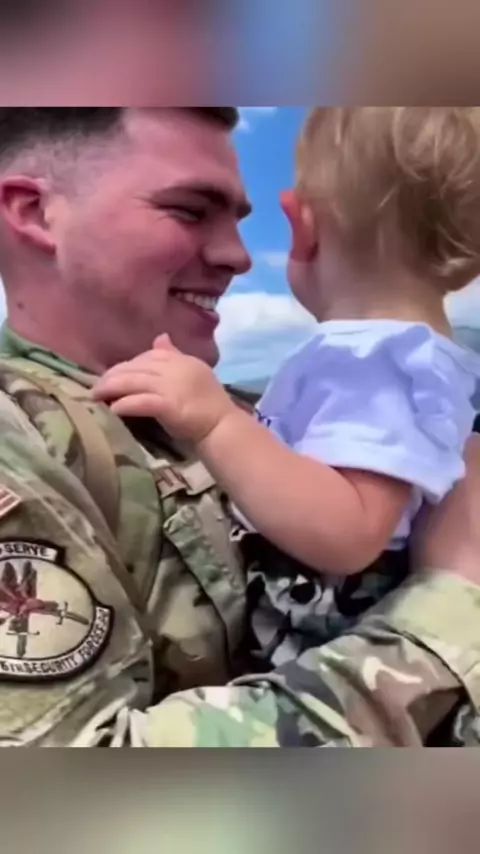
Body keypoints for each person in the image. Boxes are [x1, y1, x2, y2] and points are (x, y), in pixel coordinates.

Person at [0, 108, 477, 747]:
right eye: (189, 210)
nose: (239, 256)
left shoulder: (230, 412)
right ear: (35, 212)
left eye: (238, 221)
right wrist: (448, 613)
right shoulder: (23, 440)